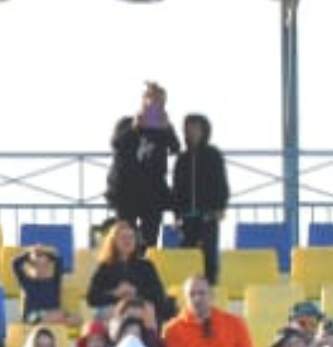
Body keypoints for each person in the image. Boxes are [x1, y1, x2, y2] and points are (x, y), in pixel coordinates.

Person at [106, 82, 178, 249]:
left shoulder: (163, 127)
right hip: (126, 191)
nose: (155, 106)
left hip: (153, 193)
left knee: (150, 238)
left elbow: (175, 147)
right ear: (143, 102)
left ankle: (145, 269)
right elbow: (116, 144)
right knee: (125, 236)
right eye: (152, 101)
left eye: (160, 102)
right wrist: (135, 128)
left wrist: (167, 128)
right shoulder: (126, 122)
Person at [170, 113, 231, 282]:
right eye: (188, 129)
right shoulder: (182, 159)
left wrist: (221, 207)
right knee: (186, 254)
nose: (191, 132)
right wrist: (176, 213)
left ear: (204, 130)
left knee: (209, 253)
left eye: (195, 128)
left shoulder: (213, 155)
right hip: (186, 215)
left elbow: (221, 183)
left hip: (208, 214)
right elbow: (176, 187)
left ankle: (211, 286)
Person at [83, 220, 175, 326]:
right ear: (114, 242)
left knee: (147, 309)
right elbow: (92, 297)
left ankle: (149, 341)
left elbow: (158, 295)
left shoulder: (146, 266)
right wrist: (115, 293)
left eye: (131, 237)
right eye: (123, 238)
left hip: (141, 307)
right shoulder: (105, 267)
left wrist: (135, 291)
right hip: (114, 310)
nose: (127, 241)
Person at [8, 241, 65, 326]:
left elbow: (59, 260)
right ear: (32, 267)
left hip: (52, 317)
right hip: (33, 317)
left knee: (67, 317)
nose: (41, 268)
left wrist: (44, 251)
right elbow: (15, 263)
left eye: (44, 265)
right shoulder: (27, 282)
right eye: (37, 265)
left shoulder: (54, 282)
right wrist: (30, 253)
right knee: (41, 316)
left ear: (48, 266)